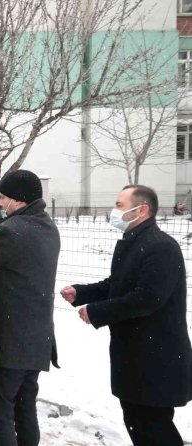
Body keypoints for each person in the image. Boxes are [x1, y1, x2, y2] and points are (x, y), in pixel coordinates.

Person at [61, 185, 192, 446]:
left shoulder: (160, 247)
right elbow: (118, 284)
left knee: (153, 428)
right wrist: (82, 293)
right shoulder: (134, 243)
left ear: (141, 210)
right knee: (139, 423)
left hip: (156, 359)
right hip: (135, 356)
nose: (114, 211)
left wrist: (96, 312)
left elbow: (147, 299)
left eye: (120, 205)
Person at [0, 169, 60, 446]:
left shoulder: (11, 231)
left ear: (18, 201)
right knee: (25, 404)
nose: (0, 203)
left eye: (4, 198)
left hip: (13, 337)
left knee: (1, 408)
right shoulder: (48, 226)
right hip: (38, 336)